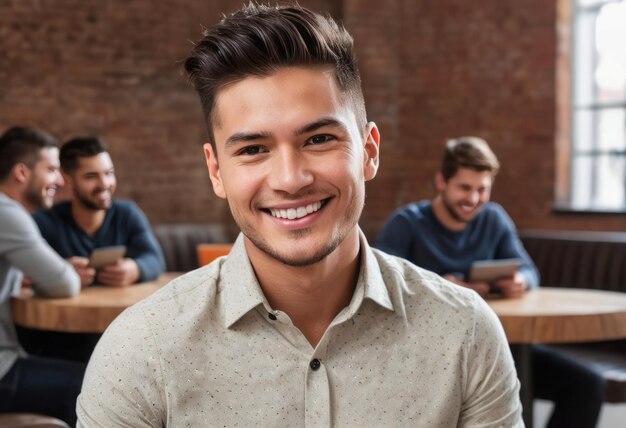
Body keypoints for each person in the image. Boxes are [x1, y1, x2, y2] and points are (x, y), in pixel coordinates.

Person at [77, 4, 522, 426]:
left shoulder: (464, 333)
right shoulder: (139, 350)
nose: (290, 179)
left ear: (369, 151)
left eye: (319, 139)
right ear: (217, 171)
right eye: (253, 149)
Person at [376, 136, 605, 428]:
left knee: (586, 387)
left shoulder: (493, 219)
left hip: (503, 346)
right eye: (465, 188)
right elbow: (382, 282)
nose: (473, 199)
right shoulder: (406, 223)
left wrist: (520, 280)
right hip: (431, 358)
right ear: (441, 182)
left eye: (482, 189)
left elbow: (529, 271)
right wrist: (444, 289)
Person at [0, 126, 85, 426]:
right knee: (92, 381)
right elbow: (66, 284)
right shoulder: (7, 213)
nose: (60, 181)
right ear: (21, 172)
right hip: (2, 371)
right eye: (51, 169)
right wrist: (58, 273)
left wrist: (31, 276)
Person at [33, 137, 165, 288]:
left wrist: (135, 269)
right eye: (91, 176)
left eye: (109, 173)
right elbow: (24, 274)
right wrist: (62, 273)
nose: (104, 184)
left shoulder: (127, 214)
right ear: (67, 180)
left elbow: (155, 259)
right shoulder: (44, 222)